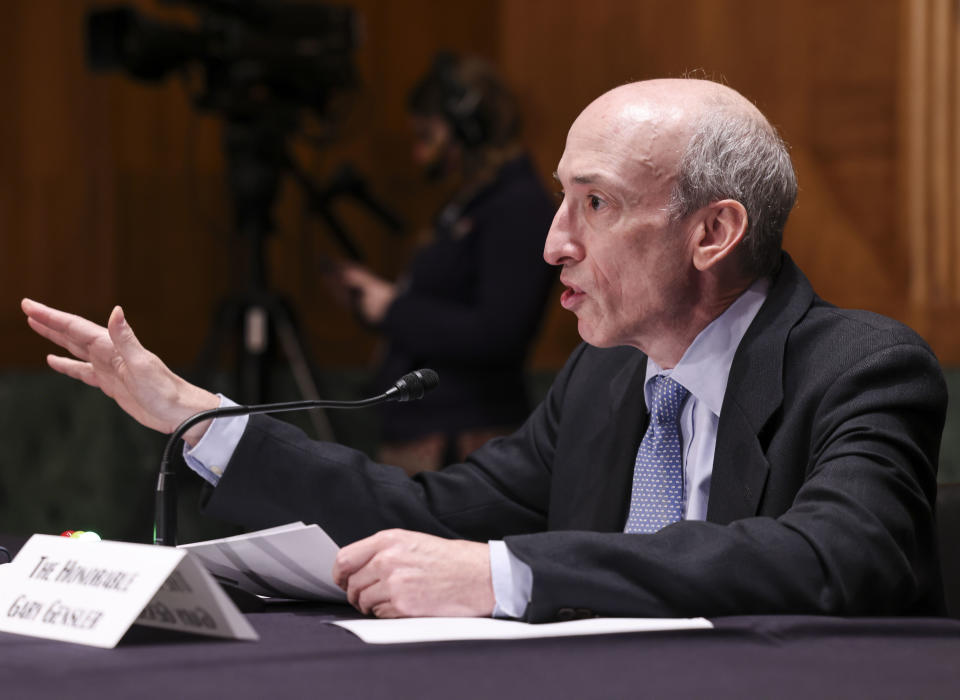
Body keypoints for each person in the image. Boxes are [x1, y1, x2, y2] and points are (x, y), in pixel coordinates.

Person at [22, 78, 947, 623]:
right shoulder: (605, 377)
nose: (553, 243)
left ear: (712, 232)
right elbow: (433, 508)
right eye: (559, 199)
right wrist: (196, 418)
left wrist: (507, 576)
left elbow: (836, 558)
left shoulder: (861, 368)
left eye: (595, 202)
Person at [334, 53, 556, 474]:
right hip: (427, 429)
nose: (420, 155)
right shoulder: (470, 202)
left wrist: (392, 309)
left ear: (468, 129)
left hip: (465, 438)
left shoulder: (518, 207)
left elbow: (498, 333)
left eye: (427, 136)